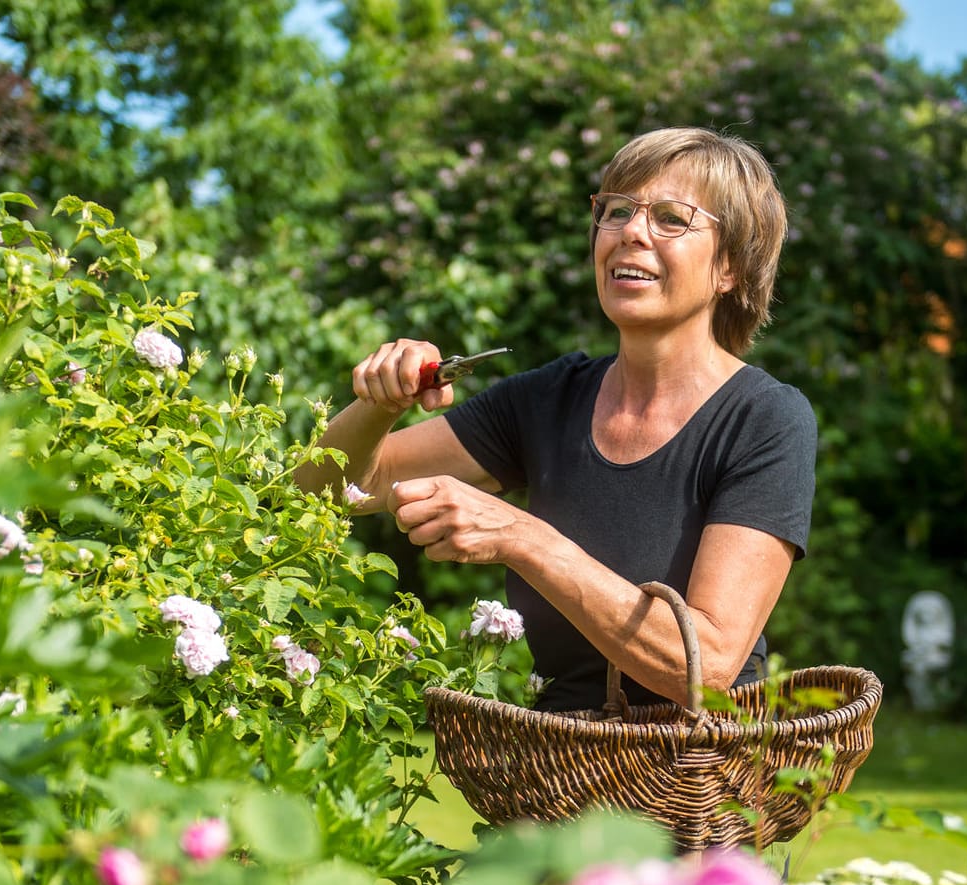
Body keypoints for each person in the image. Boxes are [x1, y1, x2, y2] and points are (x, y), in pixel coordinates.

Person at [298, 127, 815, 712]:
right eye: (617, 211)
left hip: (696, 781)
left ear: (730, 268)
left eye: (672, 218)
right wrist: (379, 405)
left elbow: (708, 671)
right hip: (555, 772)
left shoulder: (766, 419)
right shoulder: (549, 399)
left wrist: (523, 538)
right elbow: (331, 490)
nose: (631, 232)